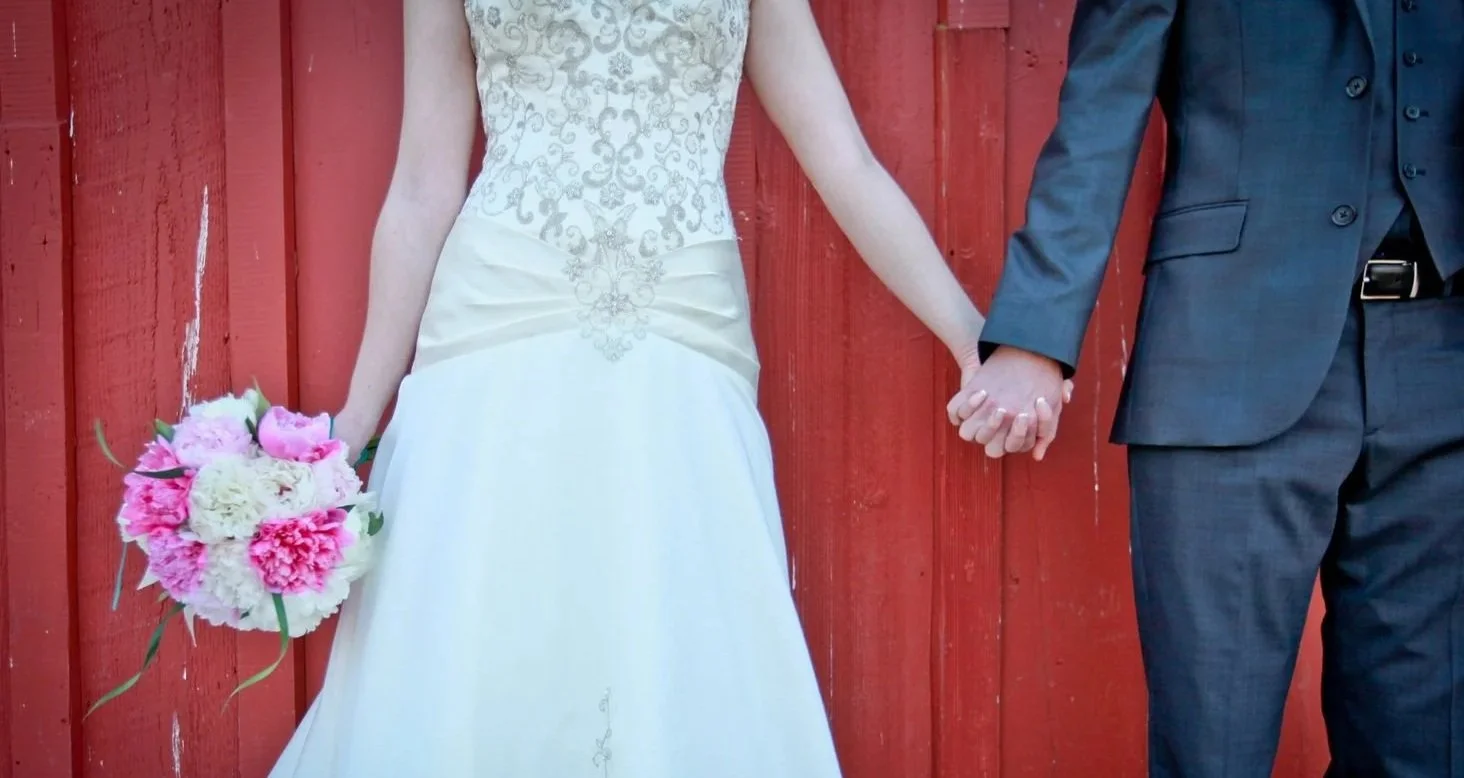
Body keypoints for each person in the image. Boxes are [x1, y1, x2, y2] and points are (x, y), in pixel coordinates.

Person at [269, 0, 1031, 775]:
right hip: (493, 310)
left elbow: (842, 157)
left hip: (682, 317)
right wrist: (351, 426)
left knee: (674, 616)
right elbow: (422, 186)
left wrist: (974, 339)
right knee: (479, 618)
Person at [952, 0, 1463, 775]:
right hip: (1230, 349)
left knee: (1426, 750)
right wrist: (1033, 336)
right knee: (1212, 752)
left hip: (1443, 358)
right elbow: (1102, 101)